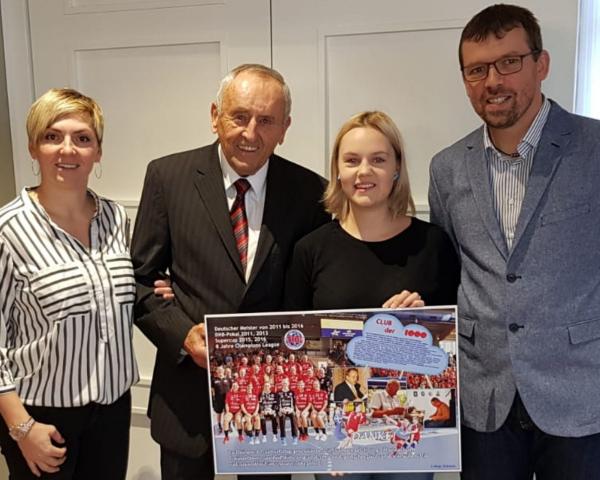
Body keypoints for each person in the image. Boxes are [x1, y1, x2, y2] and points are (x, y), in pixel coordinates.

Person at [132, 63, 329, 480]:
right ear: (214, 115)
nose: (251, 133)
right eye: (239, 116)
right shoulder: (167, 178)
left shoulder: (311, 192)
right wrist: (182, 334)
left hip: (275, 401)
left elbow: (316, 288)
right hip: (188, 394)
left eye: (267, 120)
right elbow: (140, 279)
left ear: (285, 128)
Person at [428, 5, 600, 480]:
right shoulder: (446, 168)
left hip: (579, 390)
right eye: (477, 69)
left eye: (509, 62)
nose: (493, 81)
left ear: (541, 64)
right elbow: (451, 270)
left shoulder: (594, 148)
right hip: (485, 397)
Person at [0, 88, 165, 479]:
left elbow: (129, 288)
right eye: (52, 136)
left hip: (112, 408)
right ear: (33, 147)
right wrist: (21, 428)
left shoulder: (114, 219)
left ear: (98, 151)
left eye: (82, 138)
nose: (68, 149)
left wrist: (161, 289)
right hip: (41, 416)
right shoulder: (8, 230)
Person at [286, 110, 460, 479]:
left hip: (409, 436)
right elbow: (296, 347)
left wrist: (423, 325)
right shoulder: (309, 250)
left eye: (378, 160)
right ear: (337, 170)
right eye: (352, 161)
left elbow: (451, 350)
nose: (364, 172)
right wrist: (321, 433)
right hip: (339, 434)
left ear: (397, 168)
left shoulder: (434, 245)